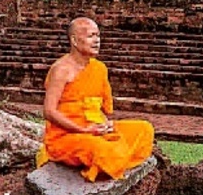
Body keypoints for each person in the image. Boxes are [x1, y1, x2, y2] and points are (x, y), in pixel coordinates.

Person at [41, 18, 155, 182]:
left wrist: (106, 124)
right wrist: (83, 130)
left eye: (98, 36)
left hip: (94, 129)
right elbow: (49, 111)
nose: (97, 41)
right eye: (91, 36)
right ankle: (113, 160)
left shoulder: (99, 68)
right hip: (67, 136)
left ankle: (116, 159)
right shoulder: (61, 70)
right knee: (100, 149)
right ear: (74, 41)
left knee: (144, 129)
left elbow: (99, 109)